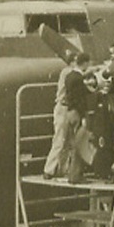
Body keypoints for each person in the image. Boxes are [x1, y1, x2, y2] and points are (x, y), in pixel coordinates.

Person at [43, 51, 92, 181]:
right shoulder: (69, 73)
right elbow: (78, 81)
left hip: (65, 108)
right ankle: (49, 170)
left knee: (68, 140)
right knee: (60, 139)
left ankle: (61, 169)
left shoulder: (69, 73)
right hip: (64, 108)